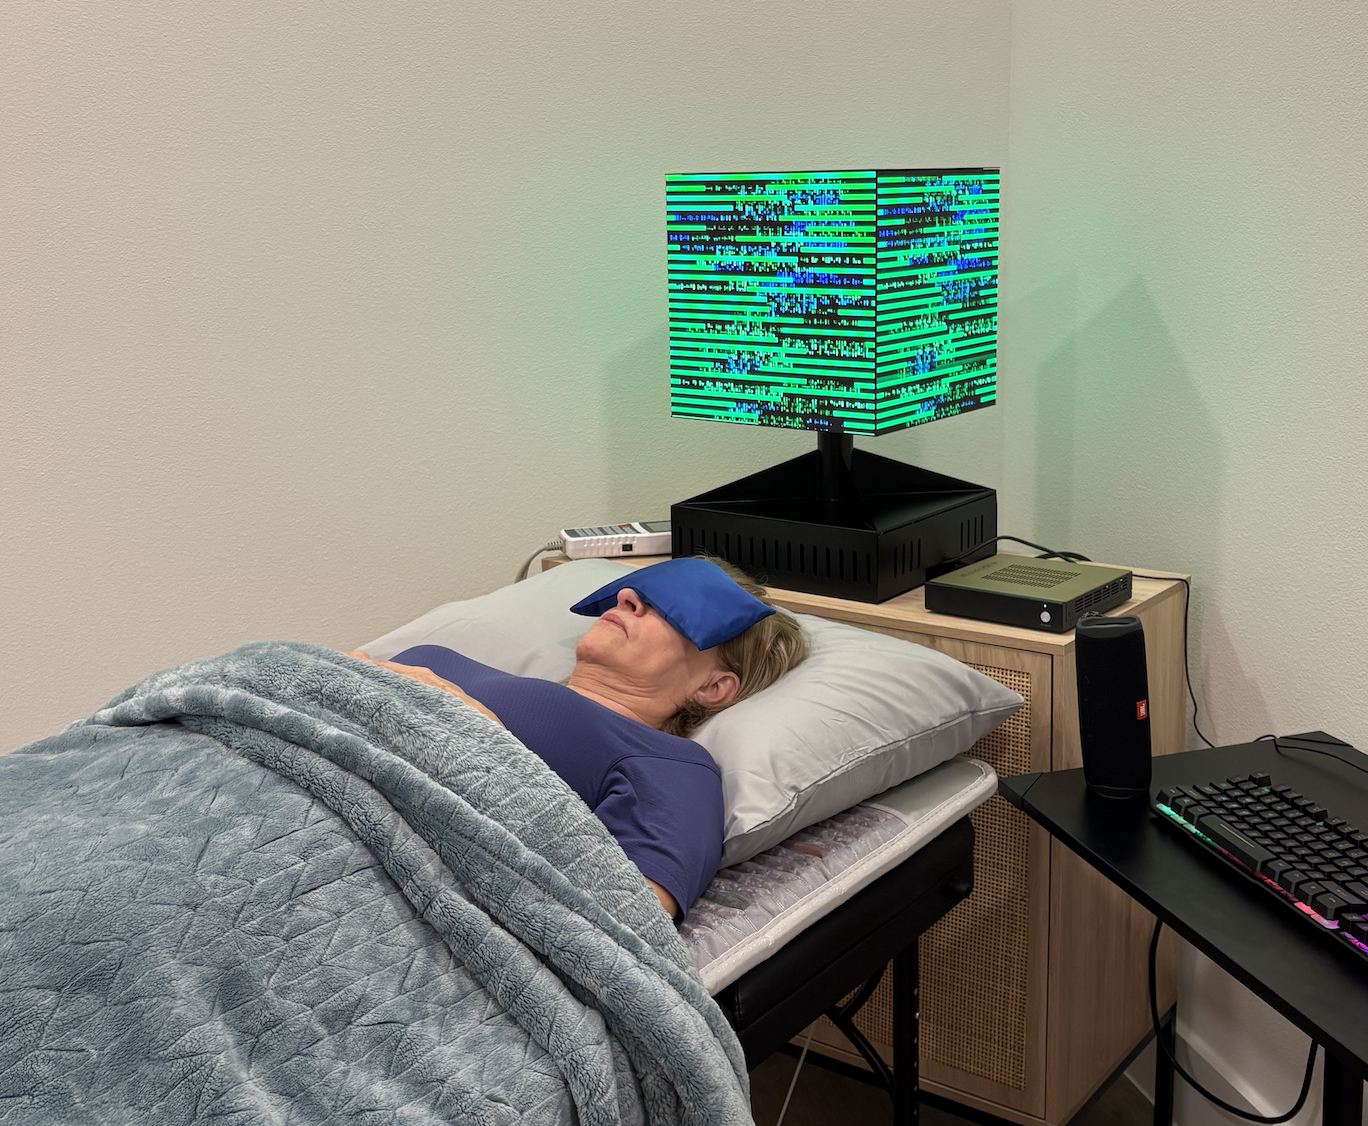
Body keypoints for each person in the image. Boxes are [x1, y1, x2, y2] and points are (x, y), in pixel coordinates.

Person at [365, 558, 808, 919]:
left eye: (674, 608)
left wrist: (472, 729)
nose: (627, 596)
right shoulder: (436, 660)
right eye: (638, 591)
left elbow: (629, 916)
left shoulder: (668, 763)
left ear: (713, 687)